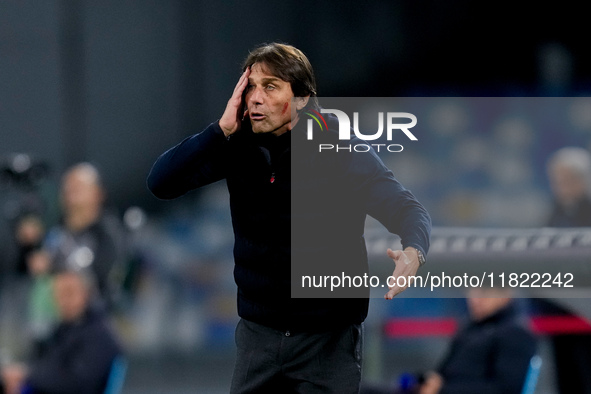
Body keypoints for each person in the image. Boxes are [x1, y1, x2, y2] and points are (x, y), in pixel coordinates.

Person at [147, 42, 431, 393]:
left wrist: (414, 250)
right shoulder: (236, 144)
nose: (255, 97)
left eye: (270, 86)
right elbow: (160, 182)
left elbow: (405, 207)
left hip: (326, 341)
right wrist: (218, 130)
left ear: (301, 99)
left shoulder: (340, 147)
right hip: (259, 338)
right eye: (250, 86)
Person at [0, 269, 122, 394]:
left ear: (87, 293)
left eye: (69, 293)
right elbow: (47, 364)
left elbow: (75, 383)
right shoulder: (66, 327)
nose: (63, 301)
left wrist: (28, 376)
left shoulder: (99, 335)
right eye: (58, 294)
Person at [419, 288, 536, 394]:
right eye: (472, 291)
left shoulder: (515, 334)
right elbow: (443, 374)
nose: (475, 299)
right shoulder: (469, 329)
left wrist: (442, 390)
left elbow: (505, 389)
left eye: (484, 292)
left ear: (505, 295)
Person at [542, 146, 591, 393]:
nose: (560, 185)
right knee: (565, 376)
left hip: (585, 310)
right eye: (556, 180)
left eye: (566, 179)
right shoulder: (554, 213)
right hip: (558, 309)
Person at [43, 162, 127, 308]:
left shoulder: (109, 234)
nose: (70, 195)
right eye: (67, 189)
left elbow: (110, 282)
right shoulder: (57, 231)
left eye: (78, 189)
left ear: (98, 194)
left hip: (99, 316)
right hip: (57, 316)